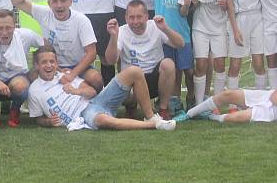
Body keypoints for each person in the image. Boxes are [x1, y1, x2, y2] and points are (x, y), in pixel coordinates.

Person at [27, 46, 175, 131]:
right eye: (44, 62)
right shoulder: (34, 90)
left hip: (97, 101)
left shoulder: (64, 76)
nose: (49, 65)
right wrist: (48, 122)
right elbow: (37, 118)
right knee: (103, 120)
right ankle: (153, 125)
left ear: (56, 63)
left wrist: (75, 90)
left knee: (134, 71)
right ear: (36, 65)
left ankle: (150, 117)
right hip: (84, 115)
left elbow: (91, 92)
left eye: (52, 62)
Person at [176, 54, 277, 124]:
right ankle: (189, 115)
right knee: (228, 94)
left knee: (233, 119)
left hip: (273, 113)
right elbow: (275, 97)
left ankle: (209, 117)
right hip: (266, 97)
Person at [12, 0, 103, 92]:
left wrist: (72, 74)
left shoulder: (82, 20)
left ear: (70, 1)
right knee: (29, 78)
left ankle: (95, 106)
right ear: (49, 3)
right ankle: (35, 104)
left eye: (63, 0)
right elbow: (15, 1)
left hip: (78, 66)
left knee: (96, 79)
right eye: (55, 1)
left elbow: (91, 53)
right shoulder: (43, 13)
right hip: (52, 66)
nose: (59, 5)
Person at [133, 0, 192, 113]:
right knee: (171, 70)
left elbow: (184, 12)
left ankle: (191, 99)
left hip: (182, 36)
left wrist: (188, 3)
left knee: (188, 70)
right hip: (163, 37)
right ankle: (173, 102)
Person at [104, 1, 184, 120]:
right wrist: (113, 37)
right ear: (126, 18)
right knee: (126, 90)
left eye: (139, 17)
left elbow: (180, 44)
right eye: (131, 17)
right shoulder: (120, 31)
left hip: (154, 80)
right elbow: (110, 60)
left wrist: (166, 28)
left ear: (147, 17)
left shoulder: (156, 26)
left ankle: (162, 108)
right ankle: (131, 106)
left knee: (168, 64)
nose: (135, 22)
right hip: (132, 83)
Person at [0, 9, 44, 128]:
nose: (4, 32)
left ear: (15, 26)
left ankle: (15, 110)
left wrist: (38, 62)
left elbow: (45, 46)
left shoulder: (26, 35)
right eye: (0, 28)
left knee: (20, 85)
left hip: (17, 79)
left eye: (8, 28)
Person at [178, 0, 232, 104]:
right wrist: (188, 5)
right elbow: (182, 12)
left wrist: (224, 4)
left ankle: (218, 102)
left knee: (220, 64)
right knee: (201, 64)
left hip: (219, 27)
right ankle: (199, 103)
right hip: (200, 27)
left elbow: (229, 5)